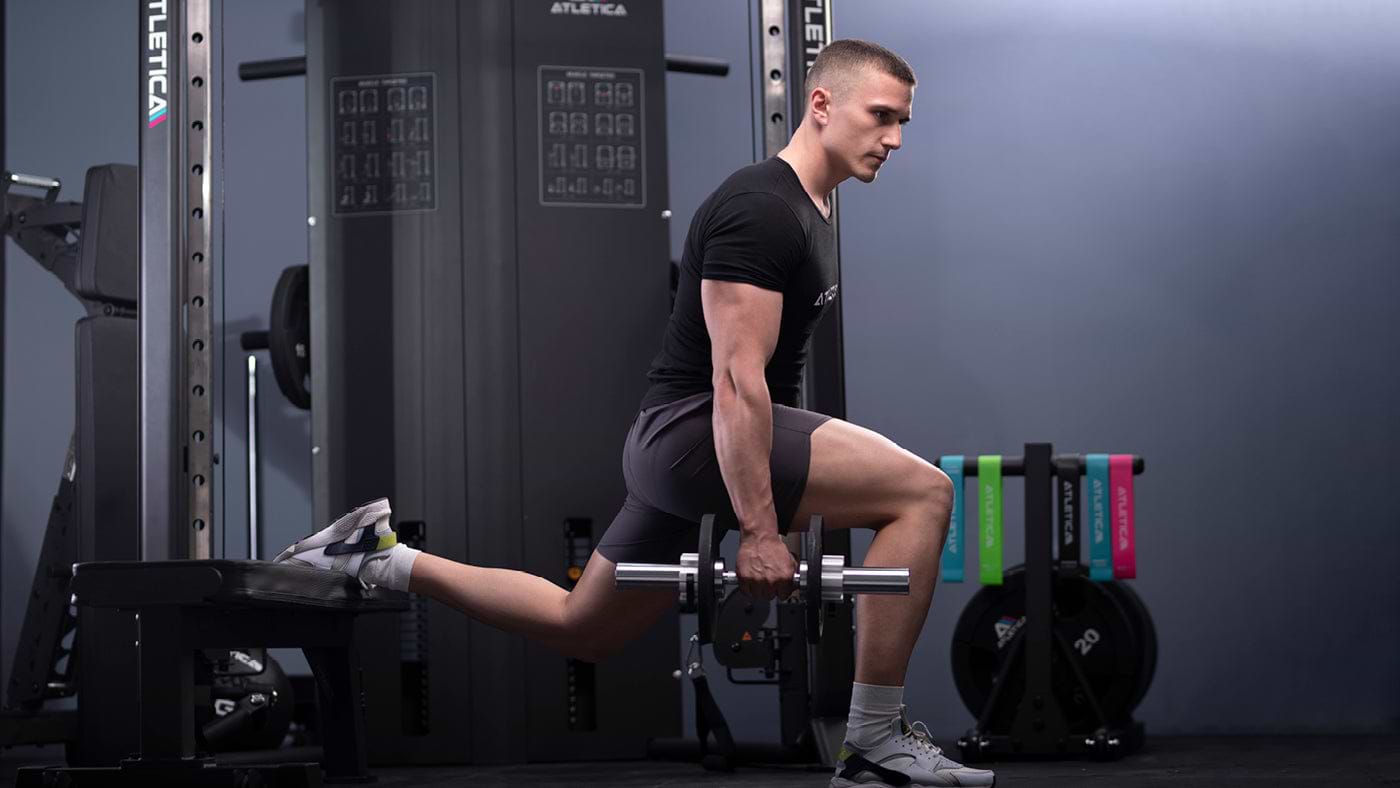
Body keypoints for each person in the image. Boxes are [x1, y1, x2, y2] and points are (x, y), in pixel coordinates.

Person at [275, 39, 995, 788]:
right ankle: (874, 739)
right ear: (821, 105)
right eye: (882, 117)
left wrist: (782, 510)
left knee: (582, 627)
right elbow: (737, 380)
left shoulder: (812, 210)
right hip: (692, 436)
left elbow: (770, 389)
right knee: (925, 492)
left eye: (902, 122)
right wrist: (756, 530)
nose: (895, 139)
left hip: (683, 446)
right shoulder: (762, 207)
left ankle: (382, 558)